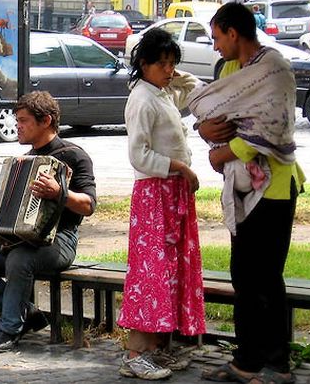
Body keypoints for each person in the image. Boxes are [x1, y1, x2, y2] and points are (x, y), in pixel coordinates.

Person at [196, 3, 305, 384]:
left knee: (264, 278)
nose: (214, 47)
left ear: (232, 32)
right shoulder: (228, 71)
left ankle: (269, 363)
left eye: (216, 38)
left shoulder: (275, 70)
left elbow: (275, 131)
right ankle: (253, 359)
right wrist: (206, 133)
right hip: (241, 188)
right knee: (244, 276)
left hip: (274, 188)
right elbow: (215, 116)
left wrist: (226, 152)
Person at [0, 91, 97, 353]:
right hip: (20, 240)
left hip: (60, 239)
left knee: (19, 260)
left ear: (45, 121)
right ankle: (27, 313)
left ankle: (9, 328)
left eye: (22, 120)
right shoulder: (25, 159)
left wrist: (60, 193)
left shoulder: (75, 156)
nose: (17, 126)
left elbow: (89, 205)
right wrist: (4, 234)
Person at [115, 28, 204, 381]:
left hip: (171, 193)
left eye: (172, 64)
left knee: (168, 270)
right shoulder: (142, 98)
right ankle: (136, 352)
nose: (169, 70)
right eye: (162, 64)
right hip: (155, 194)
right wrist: (180, 167)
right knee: (150, 271)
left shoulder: (161, 92)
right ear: (143, 63)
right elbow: (139, 155)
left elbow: (195, 89)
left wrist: (175, 72)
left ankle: (154, 348)